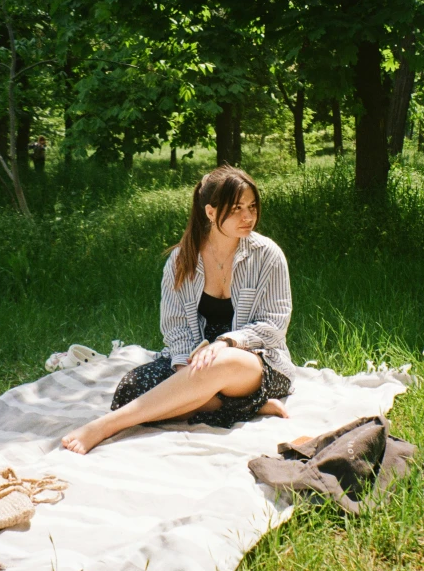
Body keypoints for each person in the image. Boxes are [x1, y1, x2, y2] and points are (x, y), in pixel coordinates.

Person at [62, 165, 296, 454]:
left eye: (252, 206)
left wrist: (226, 343)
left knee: (216, 365)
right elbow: (175, 326)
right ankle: (248, 407)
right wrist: (185, 368)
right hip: (195, 356)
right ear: (210, 212)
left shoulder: (267, 255)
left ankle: (106, 426)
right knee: (130, 388)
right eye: (236, 208)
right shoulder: (181, 259)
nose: (248, 216)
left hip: (255, 360)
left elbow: (274, 326)